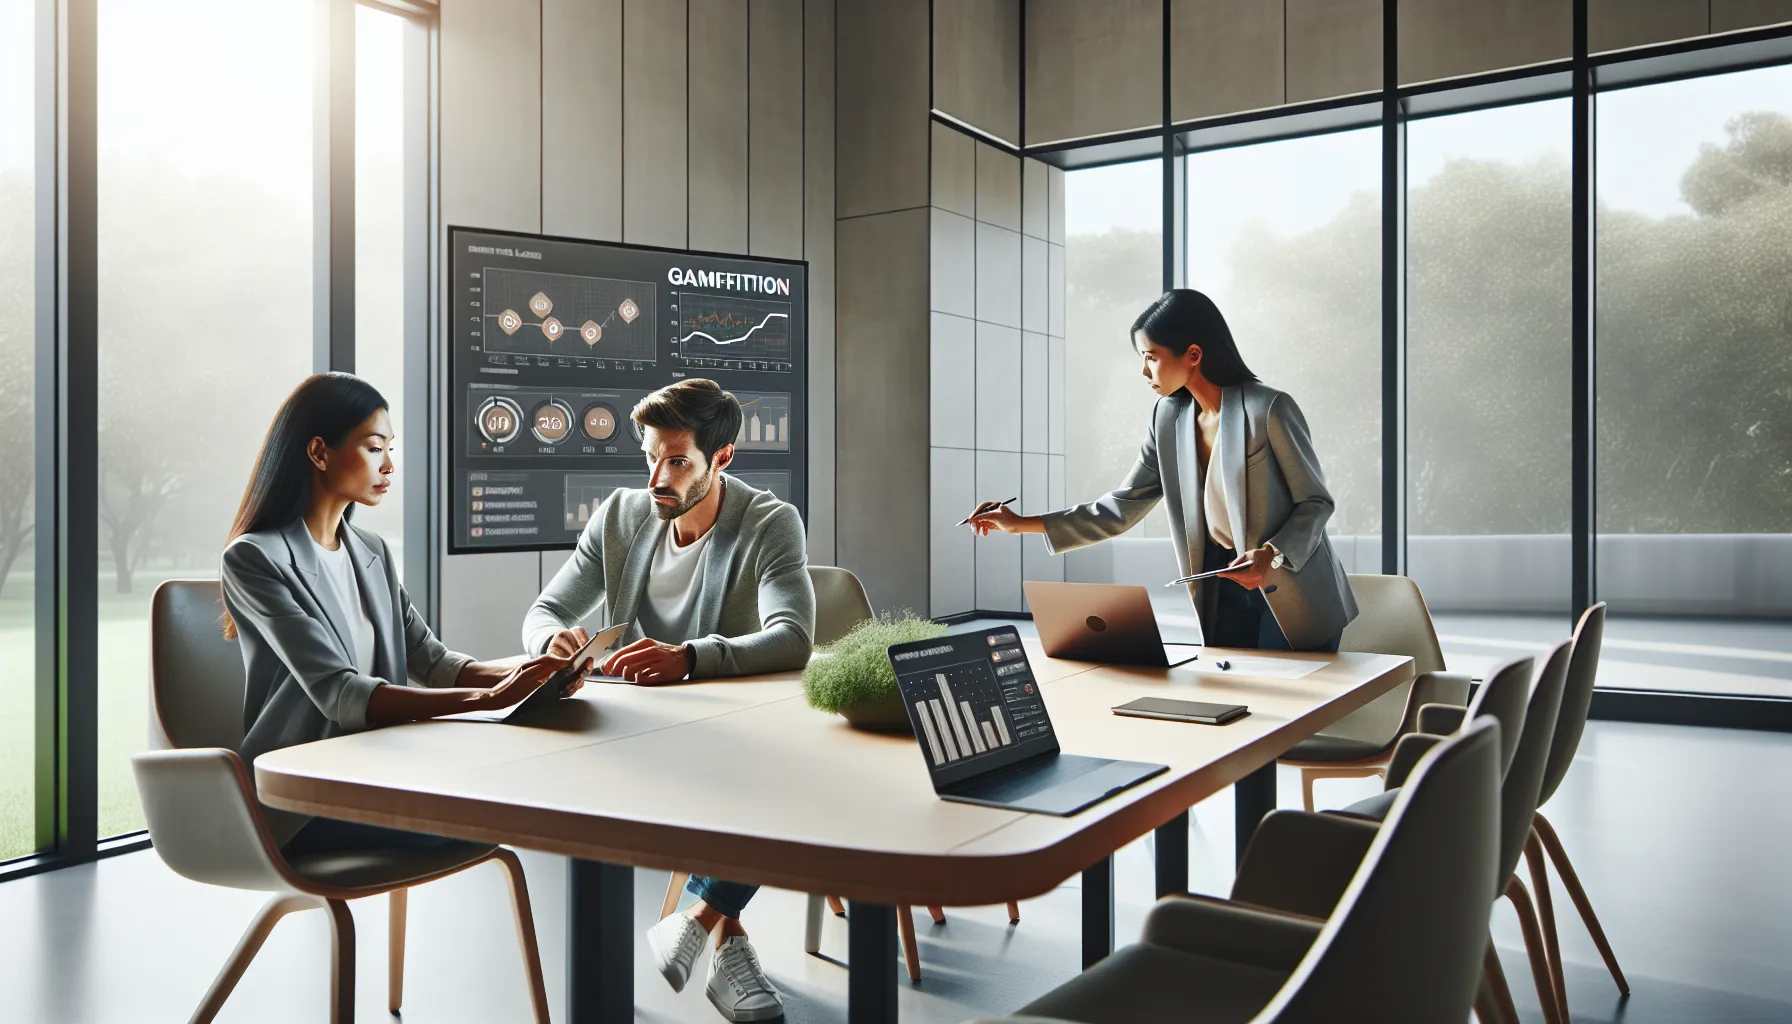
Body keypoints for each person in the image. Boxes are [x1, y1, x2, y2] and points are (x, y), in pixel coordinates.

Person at [521, 378, 814, 1023]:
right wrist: (555, 637)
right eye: (651, 457)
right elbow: (543, 609)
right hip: (627, 726)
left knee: (785, 769)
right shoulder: (622, 516)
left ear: (722, 458)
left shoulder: (768, 523)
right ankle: (723, 931)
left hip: (726, 734)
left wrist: (689, 658)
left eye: (677, 461)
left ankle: (702, 917)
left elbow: (793, 639)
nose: (658, 476)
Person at [221, 372, 575, 854]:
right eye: (373, 448)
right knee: (502, 812)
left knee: (526, 794)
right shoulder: (254, 558)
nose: (389, 465)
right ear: (319, 452)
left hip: (382, 770)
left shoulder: (372, 552)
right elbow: (339, 693)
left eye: (391, 448)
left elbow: (433, 662)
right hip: (301, 801)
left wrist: (533, 672)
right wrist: (486, 700)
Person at [970, 288, 1357, 652]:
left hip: (1291, 589)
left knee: (1292, 711)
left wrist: (1270, 554)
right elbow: (1122, 507)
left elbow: (1316, 502)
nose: (1144, 371)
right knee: (1237, 709)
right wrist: (1020, 522)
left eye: (1151, 356)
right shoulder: (1168, 418)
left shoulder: (1269, 409)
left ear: (1193, 353)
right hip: (1219, 584)